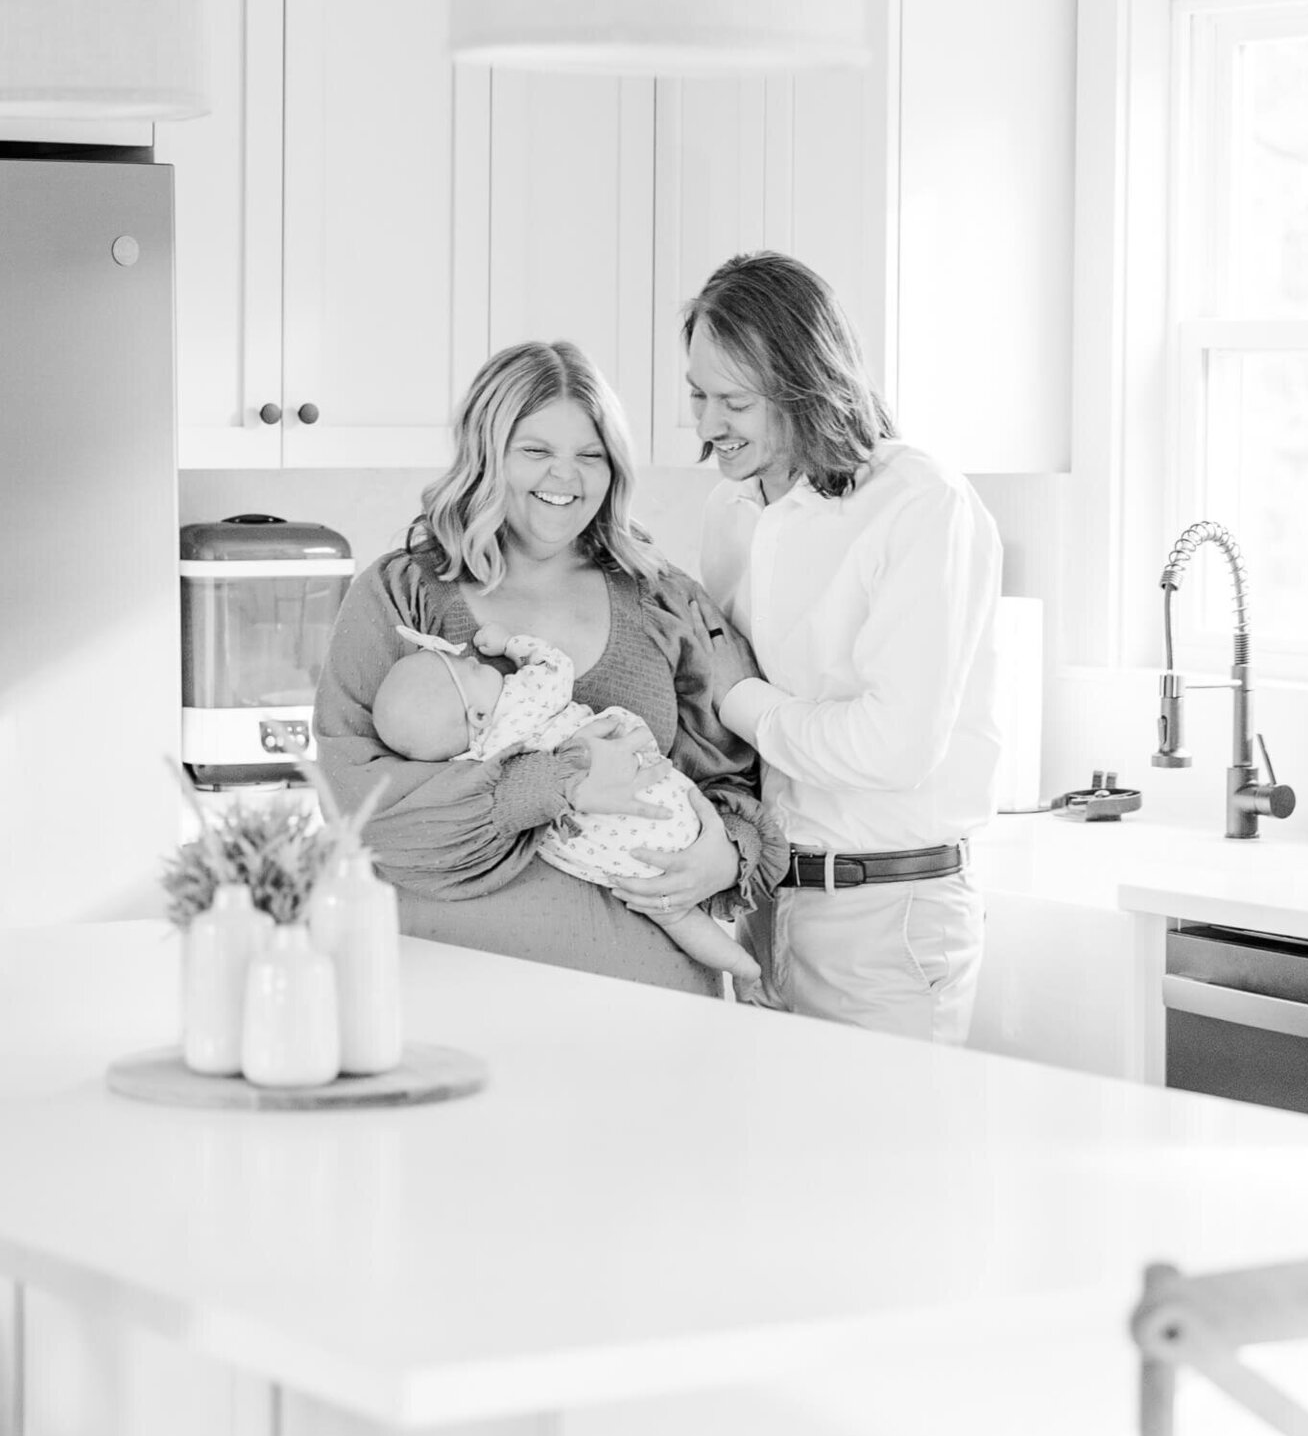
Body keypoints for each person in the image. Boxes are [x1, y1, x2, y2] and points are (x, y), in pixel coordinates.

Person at [311, 340, 787, 998]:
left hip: (649, 1013)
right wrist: (548, 782)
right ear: (488, 453)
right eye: (535, 451)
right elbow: (358, 807)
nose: (566, 478)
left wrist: (724, 855)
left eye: (590, 455)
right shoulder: (402, 596)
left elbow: (739, 776)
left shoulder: (663, 599)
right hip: (452, 999)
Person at [675, 250, 1003, 1044]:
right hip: (768, 908)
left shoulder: (917, 504)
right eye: (697, 396)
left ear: (803, 384)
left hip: (889, 921)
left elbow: (892, 749)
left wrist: (736, 697)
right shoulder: (732, 512)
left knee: (883, 1169)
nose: (709, 424)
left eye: (735, 402)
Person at [368, 624, 761, 981]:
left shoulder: (472, 763)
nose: (474, 658)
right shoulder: (522, 697)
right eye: (470, 669)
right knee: (667, 880)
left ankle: (739, 965)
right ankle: (746, 967)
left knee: (672, 913)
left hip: (600, 850)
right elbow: (555, 664)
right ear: (479, 713)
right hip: (656, 805)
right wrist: (511, 643)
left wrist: (729, 858)